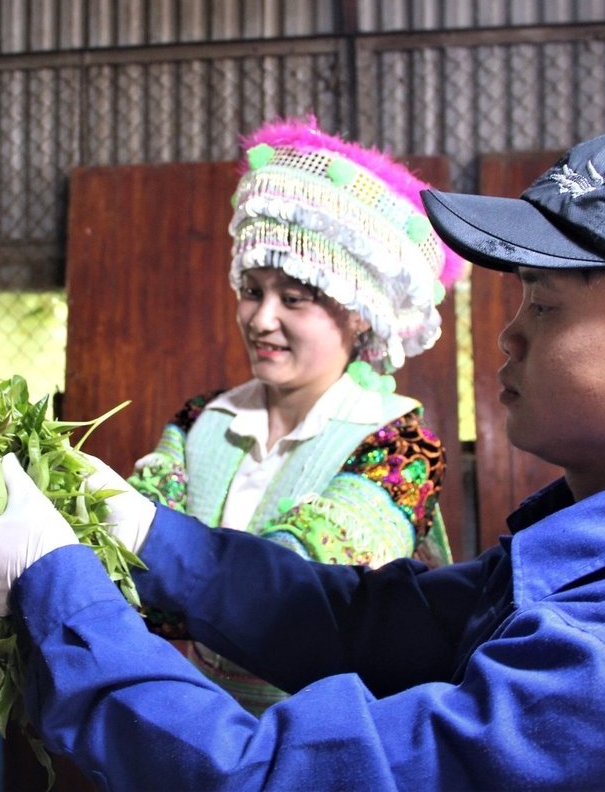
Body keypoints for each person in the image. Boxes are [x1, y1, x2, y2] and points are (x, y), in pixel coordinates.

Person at [0, 126, 605, 790]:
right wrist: (140, 530)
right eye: (251, 291)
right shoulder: (594, 561)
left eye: (543, 304)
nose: (505, 336)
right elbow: (362, 619)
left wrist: (55, 582)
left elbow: (272, 777)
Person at [123, 117, 464, 713]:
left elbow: (300, 596)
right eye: (252, 291)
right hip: (196, 728)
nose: (260, 319)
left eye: (294, 298)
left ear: (359, 313)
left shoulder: (400, 446)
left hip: (330, 743)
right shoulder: (203, 420)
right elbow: (129, 573)